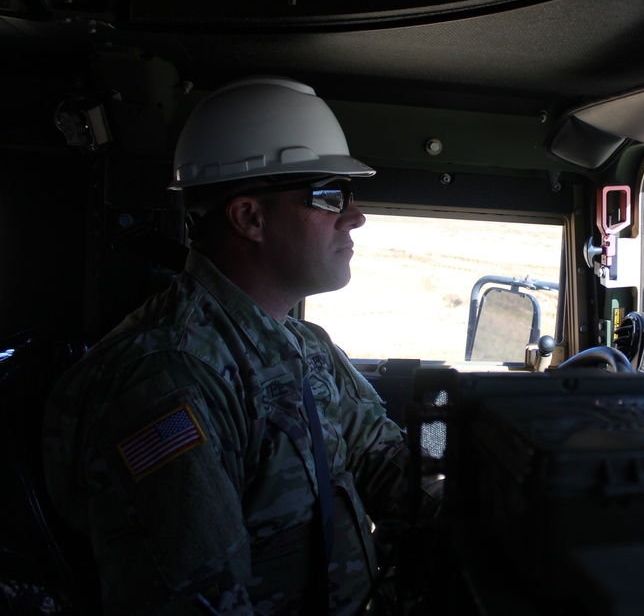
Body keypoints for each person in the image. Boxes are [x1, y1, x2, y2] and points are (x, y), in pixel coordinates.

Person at [42, 77, 436, 615]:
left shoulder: (302, 343)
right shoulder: (168, 378)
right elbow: (199, 602)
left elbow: (381, 458)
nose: (356, 215)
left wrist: (484, 513)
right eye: (329, 196)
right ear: (249, 217)